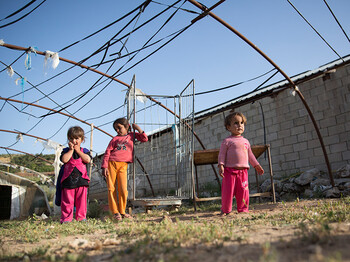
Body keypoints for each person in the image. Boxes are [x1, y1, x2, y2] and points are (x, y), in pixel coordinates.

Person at [101, 117, 148, 220]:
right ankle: (115, 212)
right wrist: (104, 166)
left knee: (123, 189)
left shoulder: (132, 136)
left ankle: (122, 211)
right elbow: (107, 152)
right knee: (111, 188)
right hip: (111, 164)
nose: (117, 131)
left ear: (127, 127)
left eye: (119, 128)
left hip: (123, 165)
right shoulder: (114, 139)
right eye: (115, 129)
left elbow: (144, 138)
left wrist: (138, 128)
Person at [218, 112, 264, 215]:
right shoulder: (227, 141)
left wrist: (256, 165)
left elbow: (250, 155)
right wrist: (221, 165)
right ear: (228, 127)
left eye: (242, 123)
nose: (240, 125)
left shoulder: (246, 142)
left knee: (243, 191)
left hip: (243, 172)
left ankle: (243, 209)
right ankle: (226, 210)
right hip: (229, 172)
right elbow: (222, 155)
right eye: (236, 123)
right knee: (228, 192)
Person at [59, 126, 91, 223]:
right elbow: (64, 160)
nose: (74, 141)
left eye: (77, 138)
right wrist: (71, 150)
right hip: (68, 181)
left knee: (81, 201)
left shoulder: (84, 151)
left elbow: (87, 160)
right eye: (71, 138)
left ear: (82, 139)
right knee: (67, 201)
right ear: (68, 139)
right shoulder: (65, 151)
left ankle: (81, 218)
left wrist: (78, 151)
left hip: (81, 181)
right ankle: (66, 219)